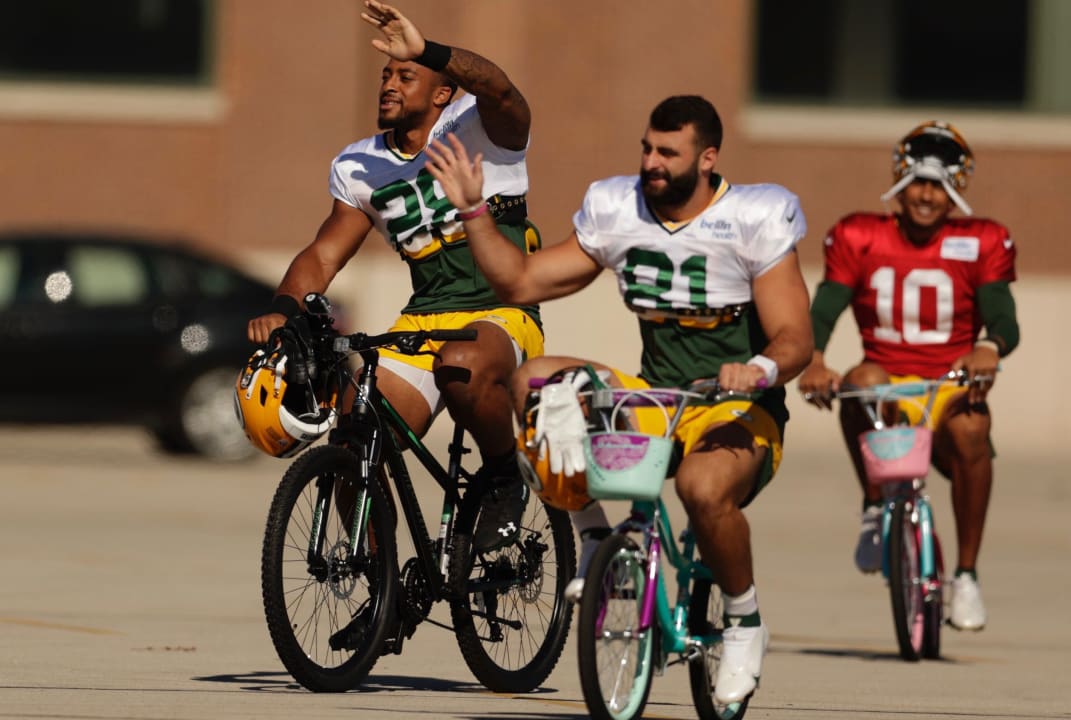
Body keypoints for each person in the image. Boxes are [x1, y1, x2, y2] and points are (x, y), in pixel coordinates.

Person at [422, 96, 813, 706]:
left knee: (702, 491)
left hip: (734, 404)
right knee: (535, 384)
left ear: (708, 158)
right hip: (655, 394)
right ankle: (596, 541)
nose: (651, 163)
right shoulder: (619, 207)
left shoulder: (754, 215)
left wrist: (758, 368)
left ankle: (744, 621)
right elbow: (520, 280)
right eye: (646, 148)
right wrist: (473, 209)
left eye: (668, 152)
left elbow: (796, 340)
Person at [246, 0, 541, 564]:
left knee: (462, 364)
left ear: (443, 92)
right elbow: (324, 252)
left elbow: (504, 90)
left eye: (406, 76)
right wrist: (284, 307)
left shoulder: (485, 129)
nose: (389, 83)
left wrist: (426, 49)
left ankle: (505, 476)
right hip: (425, 317)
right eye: (385, 74)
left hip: (500, 313)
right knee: (356, 434)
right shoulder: (361, 166)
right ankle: (383, 589)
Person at [797, 121, 1019, 631]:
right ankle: (875, 508)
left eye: (938, 185)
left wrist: (990, 346)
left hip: (947, 384)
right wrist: (812, 358)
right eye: (918, 182)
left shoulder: (981, 239)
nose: (926, 195)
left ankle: (966, 575)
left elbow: (1003, 316)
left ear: (956, 189)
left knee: (972, 430)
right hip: (887, 382)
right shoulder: (860, 234)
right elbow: (826, 308)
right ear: (900, 183)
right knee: (862, 379)